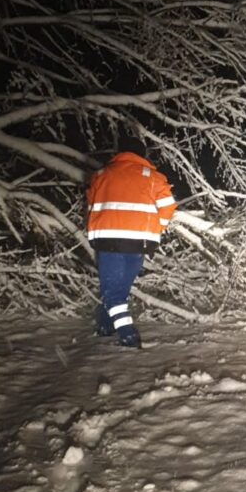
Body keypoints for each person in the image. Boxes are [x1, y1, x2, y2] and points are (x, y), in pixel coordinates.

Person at [86, 133, 177, 348]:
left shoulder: (102, 175)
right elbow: (168, 206)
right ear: (142, 155)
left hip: (108, 241)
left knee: (113, 291)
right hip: (138, 243)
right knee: (120, 288)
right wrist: (156, 228)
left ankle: (127, 334)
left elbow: (91, 204)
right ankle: (105, 326)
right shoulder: (152, 177)